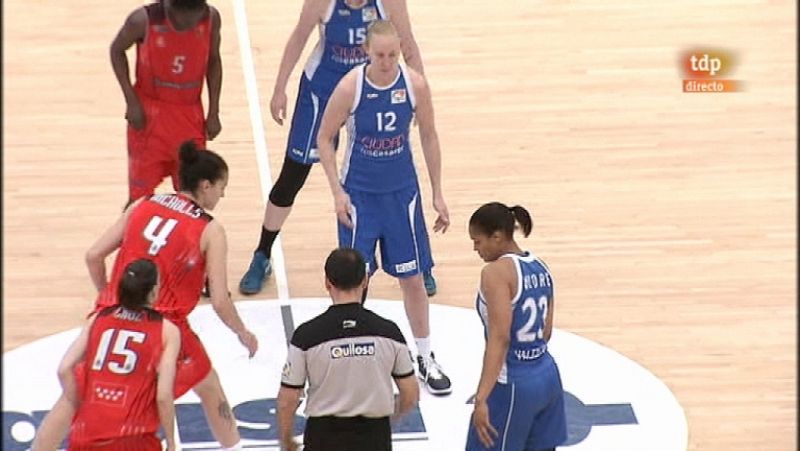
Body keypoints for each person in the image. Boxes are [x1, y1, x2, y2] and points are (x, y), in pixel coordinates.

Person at [38, 141, 257, 451]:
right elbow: (220, 300)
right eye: (222, 187)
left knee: (76, 393)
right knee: (209, 387)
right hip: (165, 323)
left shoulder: (143, 204)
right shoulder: (211, 230)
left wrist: (109, 298)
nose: (223, 194)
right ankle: (233, 447)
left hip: (114, 312)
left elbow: (93, 256)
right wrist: (242, 332)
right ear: (206, 185)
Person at [239, 0, 440, 297]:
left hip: (374, 87)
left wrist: (418, 92)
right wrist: (280, 86)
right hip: (323, 89)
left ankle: (420, 265)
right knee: (293, 175)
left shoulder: (389, 3)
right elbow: (299, 37)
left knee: (392, 168)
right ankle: (262, 254)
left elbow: (407, 43)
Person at [316, 19, 452, 394]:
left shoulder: (415, 85)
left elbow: (429, 135)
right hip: (359, 197)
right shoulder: (350, 87)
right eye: (380, 55)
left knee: (412, 277)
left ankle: (424, 356)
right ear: (366, 52)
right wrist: (336, 192)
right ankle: (351, 357)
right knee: (355, 281)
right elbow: (325, 138)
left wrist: (437, 191)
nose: (388, 61)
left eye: (393, 54)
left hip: (401, 196)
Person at [277, 248, 419, 451]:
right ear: (365, 281)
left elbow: (287, 400)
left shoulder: (306, 336)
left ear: (327, 282)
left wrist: (286, 438)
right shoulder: (389, 332)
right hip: (374, 437)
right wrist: (392, 419)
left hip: (323, 438)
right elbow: (411, 393)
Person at [32, 258, 181, 451]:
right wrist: (170, 442)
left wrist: (77, 402)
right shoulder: (166, 331)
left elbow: (64, 368)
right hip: (133, 438)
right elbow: (163, 395)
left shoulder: (98, 319)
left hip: (87, 434)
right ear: (153, 292)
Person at [465, 202, 567, 451]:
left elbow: (500, 338)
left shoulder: (495, 273)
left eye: (478, 241)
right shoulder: (541, 267)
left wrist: (481, 399)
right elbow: (546, 332)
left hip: (513, 383)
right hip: (548, 376)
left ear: (497, 237)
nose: (475, 249)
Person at [110, 0, 223, 206]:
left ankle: (187, 239)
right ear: (168, 5)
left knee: (193, 197)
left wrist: (214, 110)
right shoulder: (142, 20)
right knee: (138, 200)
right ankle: (128, 238)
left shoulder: (211, 18)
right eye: (184, 18)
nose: (189, 23)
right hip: (149, 119)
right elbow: (116, 50)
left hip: (190, 117)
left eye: (194, 16)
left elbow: (214, 60)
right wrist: (131, 100)